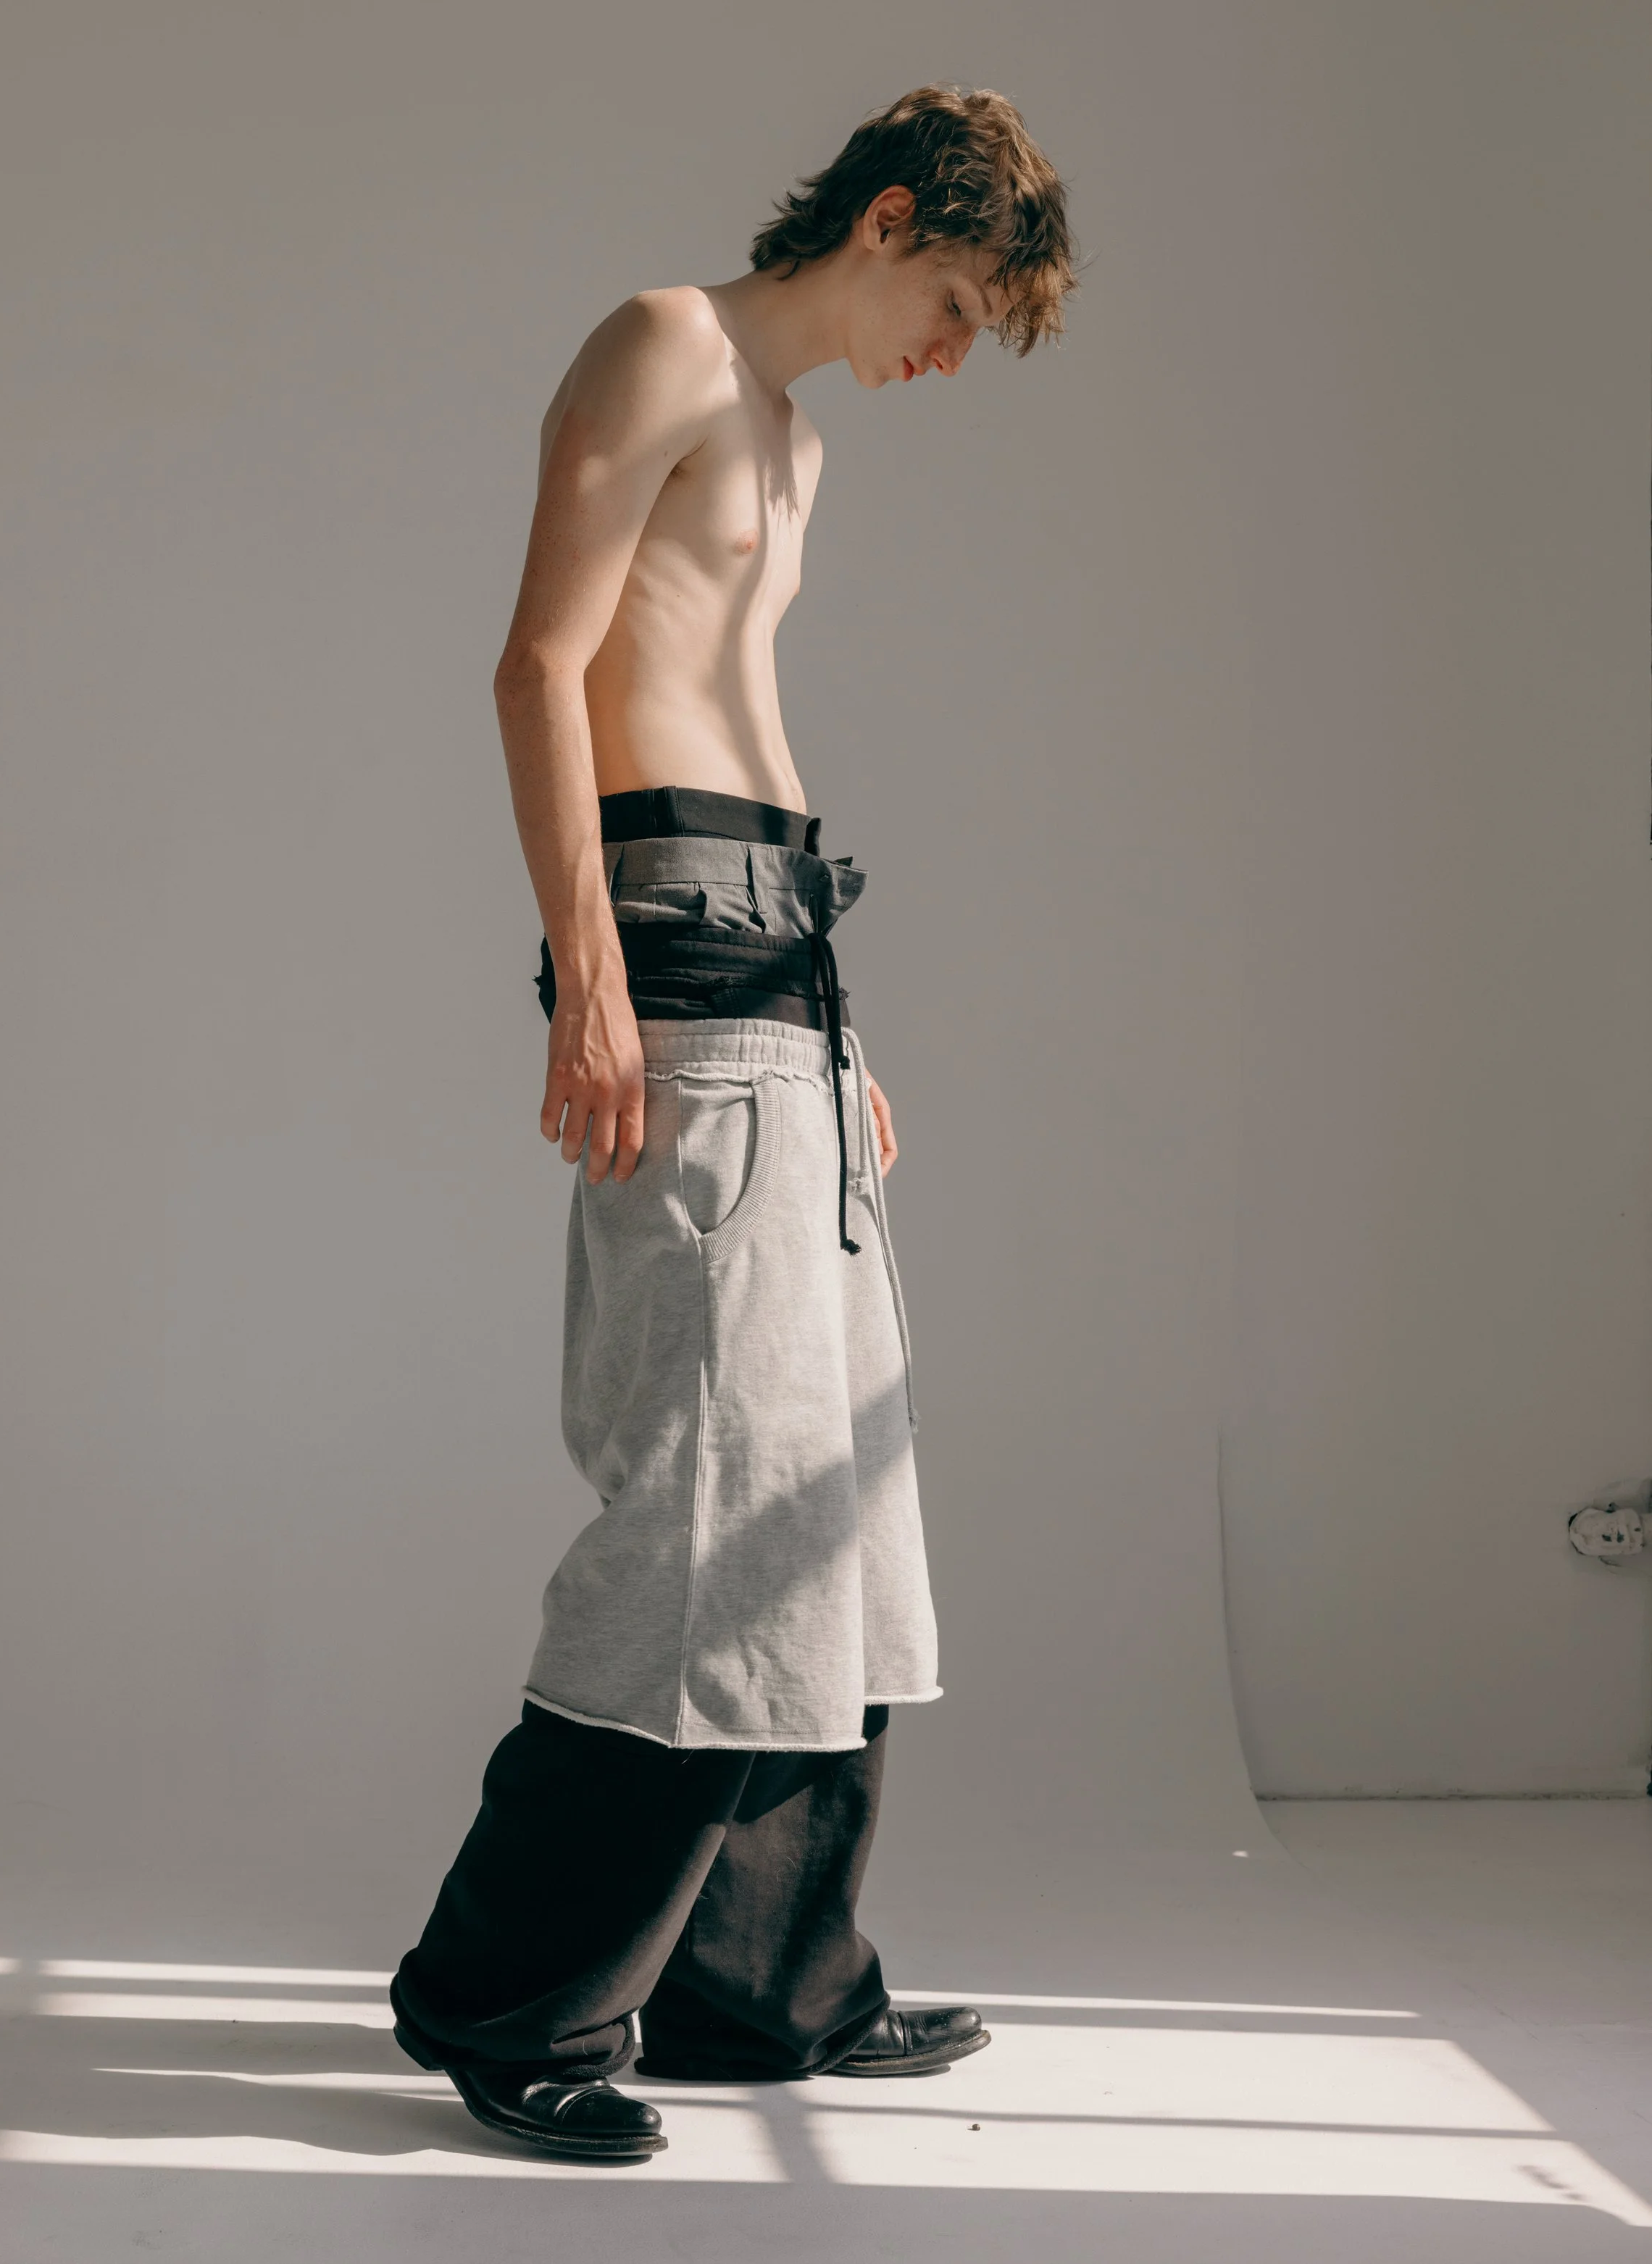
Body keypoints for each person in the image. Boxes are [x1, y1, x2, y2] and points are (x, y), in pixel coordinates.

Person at [391, 83, 1078, 2162]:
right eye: (954, 305)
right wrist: (587, 974)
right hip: (669, 948)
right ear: (889, 221)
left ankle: (761, 1986)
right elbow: (541, 667)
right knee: (699, 1497)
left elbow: (750, 709)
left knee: (826, 1498)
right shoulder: (663, 344)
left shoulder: (793, 439)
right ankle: (507, 2005)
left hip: (774, 952)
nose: (948, 353)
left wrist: (835, 1018)